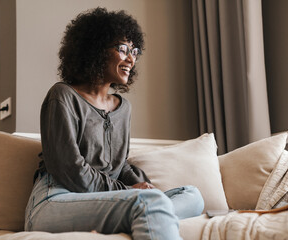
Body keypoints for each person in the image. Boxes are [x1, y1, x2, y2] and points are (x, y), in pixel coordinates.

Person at [24, 7, 204, 240]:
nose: (131, 58)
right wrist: (130, 192)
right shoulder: (63, 95)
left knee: (193, 196)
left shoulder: (123, 107)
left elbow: (121, 166)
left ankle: (141, 213)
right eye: (122, 49)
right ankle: (145, 212)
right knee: (148, 203)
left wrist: (144, 185)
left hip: (104, 200)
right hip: (55, 199)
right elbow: (70, 169)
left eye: (134, 51)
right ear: (96, 50)